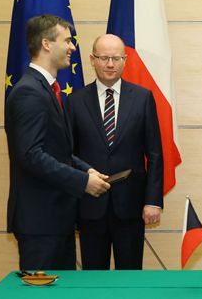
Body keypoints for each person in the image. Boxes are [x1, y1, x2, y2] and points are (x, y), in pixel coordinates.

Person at [5, 14, 111, 271]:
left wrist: (85, 169)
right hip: (40, 223)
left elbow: (56, 148)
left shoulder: (46, 89)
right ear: (46, 44)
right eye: (67, 40)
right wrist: (82, 182)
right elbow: (31, 155)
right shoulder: (29, 92)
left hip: (55, 220)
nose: (73, 47)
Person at [65, 34, 163, 270]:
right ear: (92, 59)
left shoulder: (142, 98)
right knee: (93, 281)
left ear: (125, 60)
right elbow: (67, 153)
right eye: (104, 58)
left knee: (130, 281)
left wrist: (153, 201)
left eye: (116, 58)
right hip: (90, 206)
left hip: (131, 207)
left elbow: (155, 153)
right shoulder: (75, 101)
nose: (110, 64)